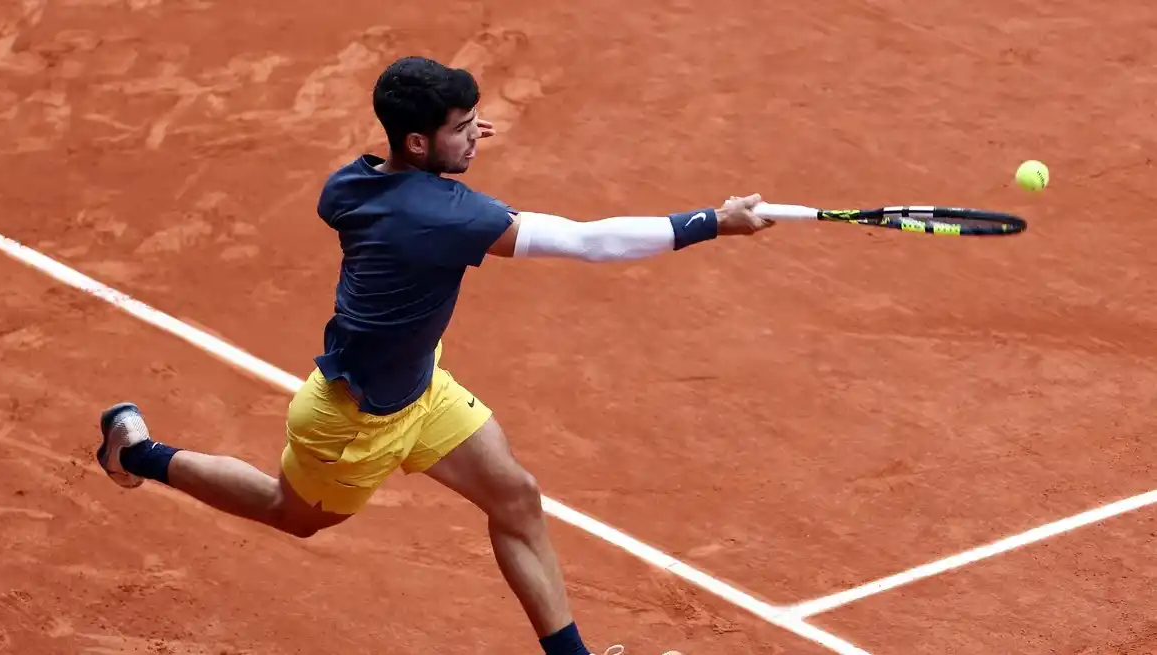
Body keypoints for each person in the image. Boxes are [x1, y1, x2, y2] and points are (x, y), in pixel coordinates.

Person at [96, 55, 773, 655]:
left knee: (516, 498)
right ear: (417, 140)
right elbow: (589, 242)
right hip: (350, 425)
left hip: (422, 391)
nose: (476, 135)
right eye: (462, 127)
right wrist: (713, 220)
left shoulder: (352, 184)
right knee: (289, 513)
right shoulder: (448, 216)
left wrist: (449, 148)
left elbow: (399, 185)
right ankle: (136, 453)